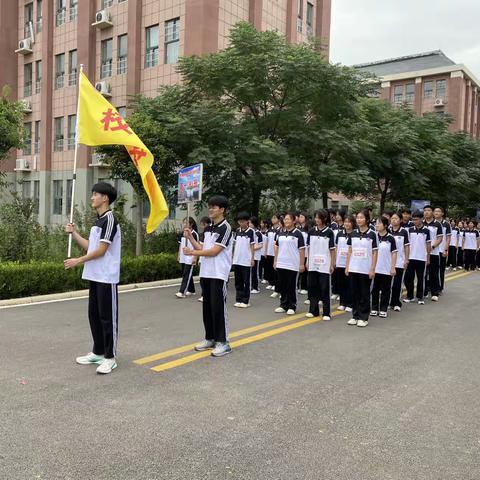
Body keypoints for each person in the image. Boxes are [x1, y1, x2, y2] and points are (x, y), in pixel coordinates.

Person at [64, 182, 121, 375]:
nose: (92, 198)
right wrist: (75, 233)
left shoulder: (110, 220)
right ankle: (98, 352)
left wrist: (77, 261)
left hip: (106, 277)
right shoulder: (98, 221)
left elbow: (102, 250)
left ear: (105, 198)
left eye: (95, 194)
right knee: (94, 316)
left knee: (107, 318)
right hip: (95, 276)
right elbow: (91, 246)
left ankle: (110, 357)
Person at [183, 195, 233, 357]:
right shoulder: (209, 228)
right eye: (210, 206)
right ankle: (210, 338)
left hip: (218, 274)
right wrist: (190, 238)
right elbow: (203, 247)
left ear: (222, 210)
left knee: (218, 308)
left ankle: (223, 342)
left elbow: (214, 252)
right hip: (206, 272)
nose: (210, 209)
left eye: (214, 207)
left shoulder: (225, 228)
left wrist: (193, 252)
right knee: (207, 308)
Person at [345, 209, 378, 328]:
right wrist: (347, 267)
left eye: (361, 218)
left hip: (365, 269)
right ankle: (355, 316)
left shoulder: (372, 234)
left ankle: (364, 317)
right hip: (354, 268)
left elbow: (375, 253)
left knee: (364, 293)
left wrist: (372, 269)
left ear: (367, 219)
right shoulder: (353, 233)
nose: (359, 220)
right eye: (357, 218)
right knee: (354, 293)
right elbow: (349, 251)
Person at [305, 209, 336, 320]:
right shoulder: (311, 231)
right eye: (316, 218)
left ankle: (327, 312)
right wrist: (307, 261)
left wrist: (332, 264)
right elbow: (308, 248)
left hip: (324, 265)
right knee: (312, 287)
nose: (317, 220)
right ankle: (313, 311)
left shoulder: (329, 232)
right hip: (313, 264)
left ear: (325, 218)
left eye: (319, 218)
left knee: (324, 288)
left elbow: (332, 249)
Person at [273, 212, 306, 315]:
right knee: (282, 285)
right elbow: (277, 247)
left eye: (288, 219)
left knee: (291, 286)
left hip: (293, 264)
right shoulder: (281, 233)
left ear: (293, 221)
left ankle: (292, 305)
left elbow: (301, 250)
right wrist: (275, 260)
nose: (286, 221)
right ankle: (283, 304)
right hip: (281, 263)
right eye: (285, 219)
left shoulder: (298, 233)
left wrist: (301, 264)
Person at [371, 217, 397, 318]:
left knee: (386, 290)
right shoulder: (373, 236)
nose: (377, 225)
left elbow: (394, 254)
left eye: (379, 223)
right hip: (375, 268)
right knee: (374, 290)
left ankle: (383, 308)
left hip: (386, 269)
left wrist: (393, 267)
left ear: (385, 225)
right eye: (376, 223)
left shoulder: (390, 238)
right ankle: (374, 308)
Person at [404, 211, 431, 305]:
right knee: (408, 278)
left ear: (421, 219)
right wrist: (406, 258)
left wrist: (428, 257)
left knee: (421, 279)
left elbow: (428, 244)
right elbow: (406, 245)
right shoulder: (410, 230)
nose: (414, 221)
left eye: (416, 219)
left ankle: (420, 297)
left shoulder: (426, 230)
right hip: (411, 258)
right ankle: (410, 296)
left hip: (422, 258)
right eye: (413, 219)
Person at [231, 212, 255, 308]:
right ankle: (238, 299)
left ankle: (246, 300)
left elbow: (252, 245)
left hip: (246, 260)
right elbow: (235, 244)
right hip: (237, 260)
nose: (241, 223)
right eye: (239, 221)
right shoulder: (237, 231)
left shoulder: (251, 231)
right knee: (238, 281)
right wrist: (232, 256)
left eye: (242, 221)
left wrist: (252, 258)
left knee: (246, 281)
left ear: (247, 221)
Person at [388, 212, 410, 311]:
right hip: (387, 262)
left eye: (396, 218)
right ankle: (388, 302)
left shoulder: (404, 232)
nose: (393, 220)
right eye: (392, 218)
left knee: (397, 284)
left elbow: (406, 246)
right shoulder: (387, 230)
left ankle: (396, 303)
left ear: (400, 220)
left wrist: (406, 259)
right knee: (388, 284)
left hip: (399, 261)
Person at [335, 214, 356, 312]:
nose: (347, 224)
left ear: (352, 223)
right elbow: (335, 248)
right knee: (341, 284)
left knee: (350, 284)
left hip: (351, 263)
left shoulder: (355, 234)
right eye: (345, 222)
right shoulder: (339, 234)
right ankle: (342, 303)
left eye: (349, 222)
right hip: (340, 262)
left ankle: (350, 303)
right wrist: (334, 260)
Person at [423, 205, 443, 302]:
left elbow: (440, 238)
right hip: (422, 254)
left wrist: (433, 246)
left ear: (432, 212)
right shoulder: (421, 223)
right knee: (422, 274)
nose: (426, 212)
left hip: (433, 253)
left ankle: (435, 293)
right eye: (425, 210)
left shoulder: (437, 224)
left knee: (433, 273)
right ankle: (424, 291)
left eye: (429, 210)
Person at [176, 217, 199, 298]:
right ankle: (191, 290)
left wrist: (195, 257)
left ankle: (182, 291)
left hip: (190, 256)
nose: (184, 224)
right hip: (183, 256)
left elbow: (197, 247)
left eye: (186, 223)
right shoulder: (182, 233)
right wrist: (179, 255)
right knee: (186, 273)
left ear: (191, 224)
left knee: (186, 273)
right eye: (184, 222)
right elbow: (180, 245)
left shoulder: (194, 234)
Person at [434, 206, 451, 293]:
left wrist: (446, 250)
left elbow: (448, 238)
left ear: (442, 213)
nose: (436, 213)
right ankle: (431, 286)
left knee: (440, 269)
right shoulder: (431, 223)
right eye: (435, 211)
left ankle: (440, 287)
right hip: (432, 250)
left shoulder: (446, 224)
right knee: (432, 270)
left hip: (441, 250)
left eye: (438, 211)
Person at [264, 214, 281, 293]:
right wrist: (266, 251)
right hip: (269, 251)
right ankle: (270, 282)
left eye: (274, 218)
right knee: (269, 267)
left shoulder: (279, 230)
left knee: (275, 269)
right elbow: (267, 241)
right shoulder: (270, 229)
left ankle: (275, 283)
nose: (272, 219)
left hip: (276, 252)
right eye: (272, 218)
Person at [249, 216, 263, 294]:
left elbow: (261, 245)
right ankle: (250, 286)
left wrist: (253, 248)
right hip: (249, 255)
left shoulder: (258, 233)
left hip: (256, 256)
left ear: (254, 224)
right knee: (249, 272)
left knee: (255, 272)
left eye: (250, 223)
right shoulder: (249, 232)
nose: (249, 224)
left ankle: (256, 287)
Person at [296, 212, 309, 295]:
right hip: (299, 252)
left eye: (301, 217)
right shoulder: (298, 229)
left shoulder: (309, 229)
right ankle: (297, 286)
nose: (300, 218)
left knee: (304, 272)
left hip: (306, 252)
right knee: (298, 270)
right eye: (299, 217)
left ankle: (304, 287)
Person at [259, 218, 271, 284]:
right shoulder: (259, 231)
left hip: (266, 251)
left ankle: (266, 278)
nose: (261, 224)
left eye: (262, 223)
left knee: (266, 266)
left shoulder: (268, 232)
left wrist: (266, 251)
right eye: (260, 223)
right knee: (260, 265)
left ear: (266, 224)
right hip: (260, 251)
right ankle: (260, 277)